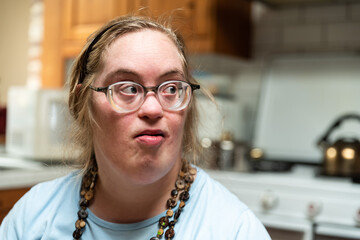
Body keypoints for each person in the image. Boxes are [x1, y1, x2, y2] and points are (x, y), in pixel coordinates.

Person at [0, 15, 271, 240]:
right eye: (128, 88)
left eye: (171, 88)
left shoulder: (235, 230)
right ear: (85, 101)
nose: (153, 109)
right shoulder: (32, 218)